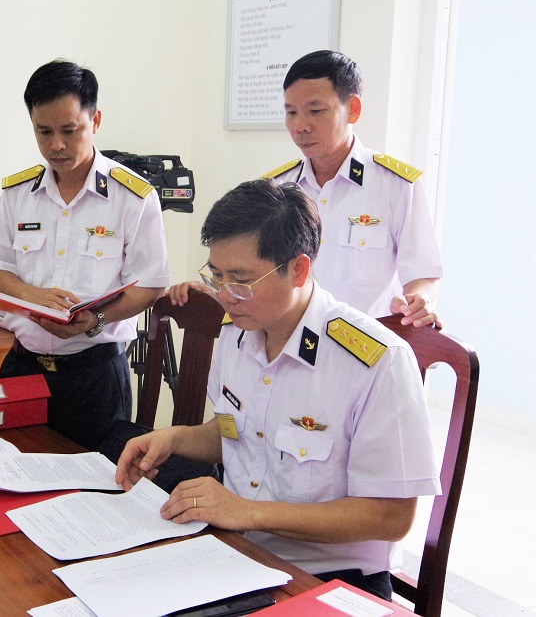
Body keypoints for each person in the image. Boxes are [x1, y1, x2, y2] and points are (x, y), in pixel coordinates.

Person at [115, 179, 439, 601]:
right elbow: (237, 432)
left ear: (299, 270)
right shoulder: (237, 334)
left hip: (331, 579)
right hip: (237, 552)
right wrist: (173, 439)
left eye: (241, 280)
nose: (224, 295)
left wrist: (248, 512)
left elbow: (391, 516)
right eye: (216, 276)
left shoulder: (375, 362)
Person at [0, 59, 168, 451]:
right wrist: (34, 296)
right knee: (7, 474)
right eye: (43, 131)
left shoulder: (132, 197)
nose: (56, 145)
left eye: (69, 131)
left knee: (94, 480)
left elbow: (150, 285)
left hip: (95, 377)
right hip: (23, 369)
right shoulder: (18, 195)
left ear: (95, 120)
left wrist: (94, 320)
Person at [263, 50, 443, 328]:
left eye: (315, 111)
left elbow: (423, 272)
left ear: (353, 109)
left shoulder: (396, 186)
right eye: (291, 113)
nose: (300, 126)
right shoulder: (276, 189)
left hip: (365, 347)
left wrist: (419, 300)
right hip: (290, 341)